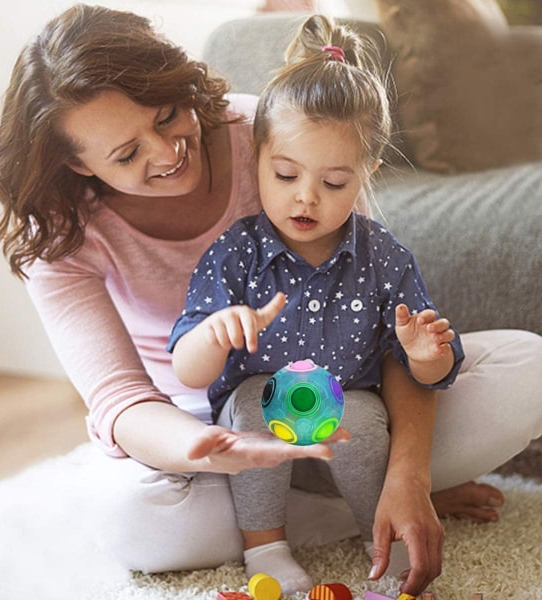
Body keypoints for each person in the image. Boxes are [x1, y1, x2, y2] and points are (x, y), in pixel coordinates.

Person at [0, 4, 542, 598]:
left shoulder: (278, 134)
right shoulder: (59, 238)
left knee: (527, 366)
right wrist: (209, 450)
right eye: (126, 155)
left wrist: (409, 472)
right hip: (202, 417)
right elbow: (123, 401)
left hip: (350, 397)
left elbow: (385, 329)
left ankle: (365, 495)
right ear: (77, 163)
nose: (168, 152)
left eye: (169, 115)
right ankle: (315, 514)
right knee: (139, 521)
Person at [167, 15, 465, 595]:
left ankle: (376, 532)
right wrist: (217, 332)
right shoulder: (236, 252)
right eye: (285, 174)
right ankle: (267, 546)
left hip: (347, 414)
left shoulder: (382, 255)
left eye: (333, 183)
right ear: (257, 159)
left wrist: (426, 354)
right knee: (253, 406)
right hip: (258, 424)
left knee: (366, 421)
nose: (305, 196)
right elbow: (187, 368)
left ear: (366, 175)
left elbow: (428, 375)